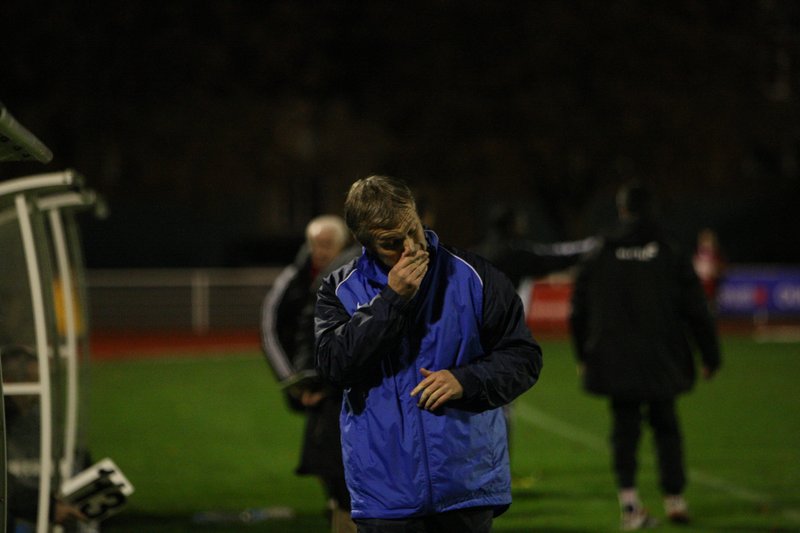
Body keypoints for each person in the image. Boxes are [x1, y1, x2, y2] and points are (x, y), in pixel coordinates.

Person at [315, 175, 543, 532]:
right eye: (391, 243)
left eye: (413, 230)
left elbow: (524, 357)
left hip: (465, 487)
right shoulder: (340, 289)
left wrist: (466, 380)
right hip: (385, 496)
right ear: (365, 243)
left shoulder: (476, 277)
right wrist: (392, 301)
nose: (410, 248)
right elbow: (334, 366)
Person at [569, 182, 722, 530]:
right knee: (666, 425)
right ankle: (674, 498)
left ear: (621, 209)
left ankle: (629, 503)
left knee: (624, 429)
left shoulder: (601, 250)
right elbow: (697, 308)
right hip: (662, 357)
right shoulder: (670, 250)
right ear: (652, 209)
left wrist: (583, 353)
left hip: (615, 358)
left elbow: (578, 308)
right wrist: (710, 355)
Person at [261, 215, 360, 533]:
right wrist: (294, 379)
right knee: (327, 454)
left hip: (335, 383)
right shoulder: (296, 279)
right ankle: (339, 505)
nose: (319, 250)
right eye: (315, 244)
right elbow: (272, 329)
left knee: (335, 454)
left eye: (327, 244)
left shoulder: (354, 273)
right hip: (316, 380)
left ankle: (341, 507)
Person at [2, 344, 88, 531]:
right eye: (34, 384)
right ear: (10, 384)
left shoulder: (24, 416)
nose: (37, 397)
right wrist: (49, 507)